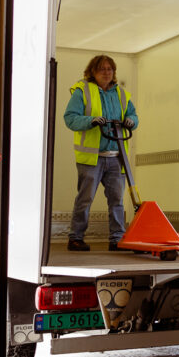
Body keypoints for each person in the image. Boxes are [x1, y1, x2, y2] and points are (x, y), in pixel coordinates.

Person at [63, 54, 138, 252]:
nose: (106, 72)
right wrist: (91, 121)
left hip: (116, 157)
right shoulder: (83, 91)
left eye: (109, 69)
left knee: (117, 201)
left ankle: (117, 239)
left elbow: (132, 115)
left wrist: (131, 121)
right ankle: (76, 238)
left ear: (113, 72)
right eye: (102, 69)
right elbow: (70, 118)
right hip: (92, 158)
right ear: (93, 72)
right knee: (85, 199)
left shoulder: (121, 94)